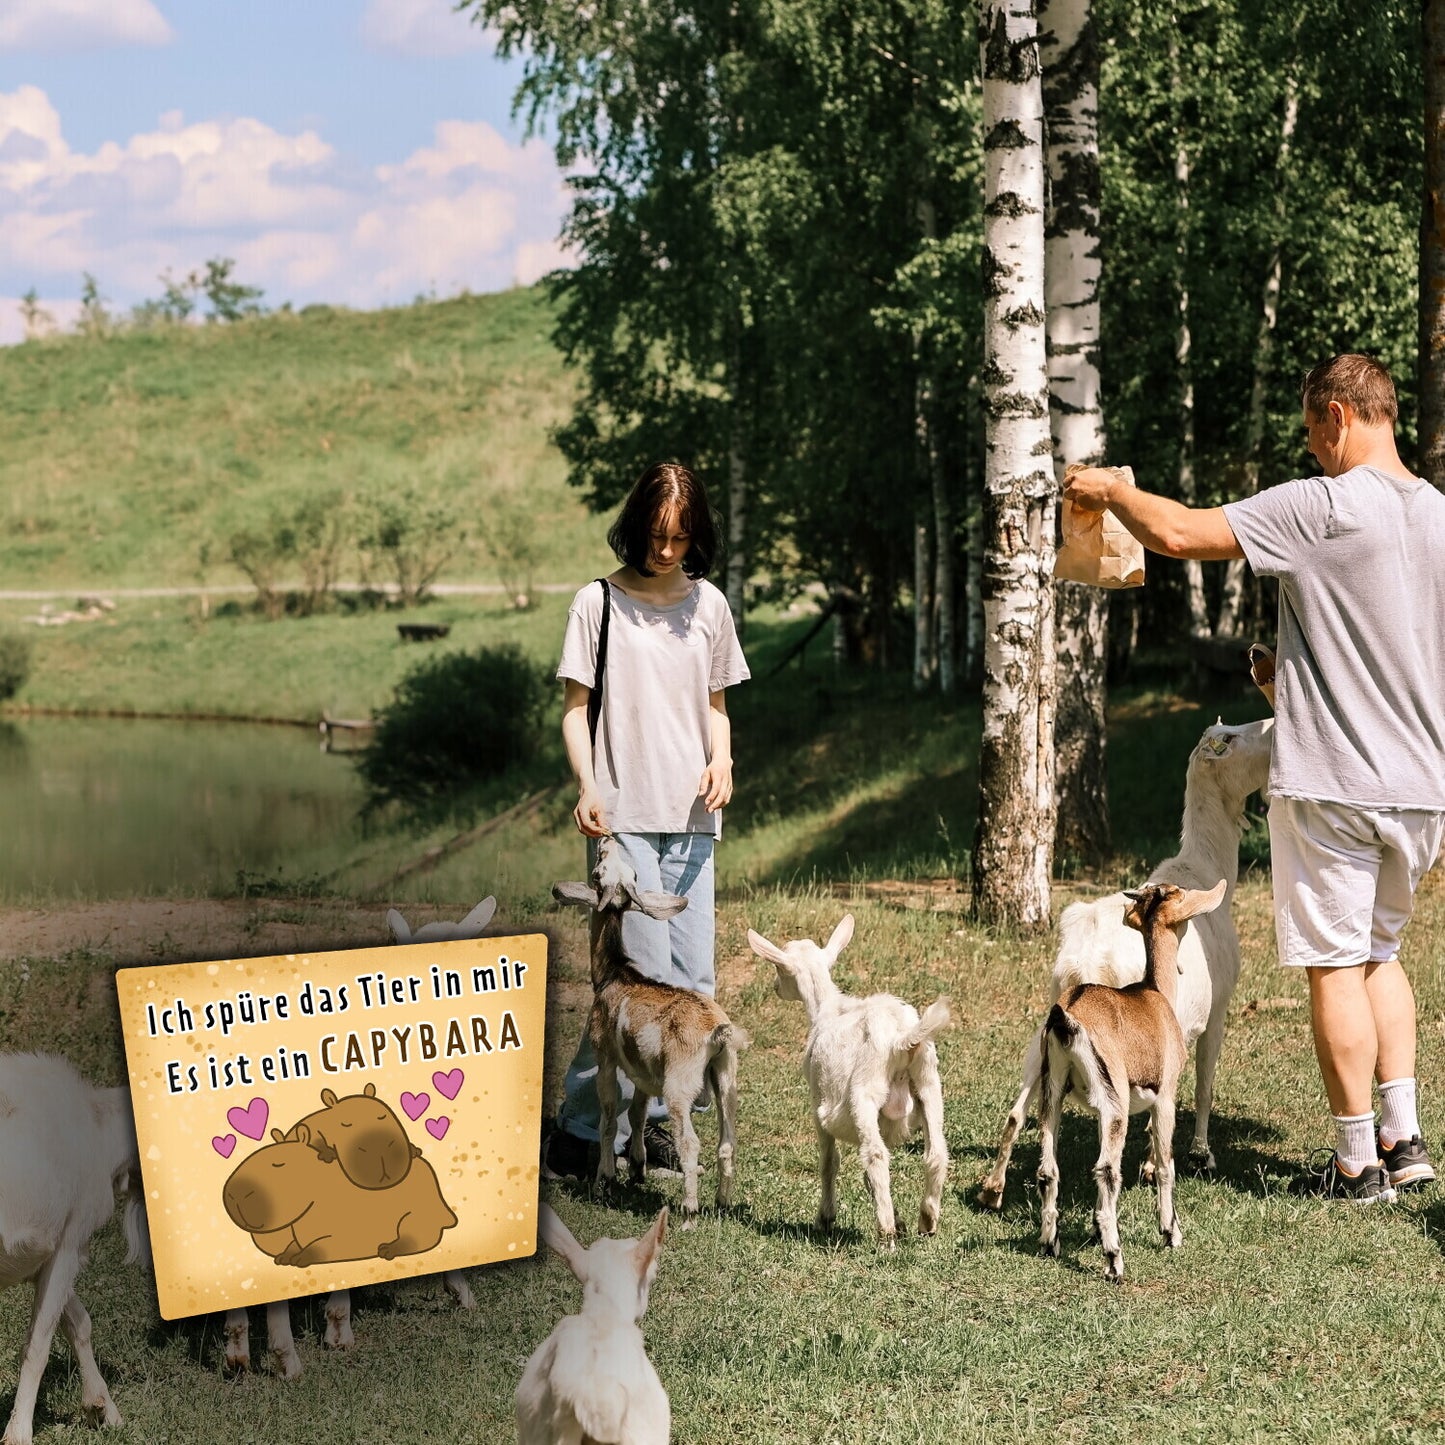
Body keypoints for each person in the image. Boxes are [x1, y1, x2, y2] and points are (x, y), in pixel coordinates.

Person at [1065, 353, 1445, 1203]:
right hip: (1421, 783)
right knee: (1383, 953)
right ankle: (1404, 1137)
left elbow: (1177, 533)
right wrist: (1294, 682)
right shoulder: (1440, 519)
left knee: (1334, 964)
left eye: (1313, 433)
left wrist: (1111, 492)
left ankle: (1354, 1165)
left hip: (1336, 784)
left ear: (1338, 418)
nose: (1311, 451)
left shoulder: (1321, 505)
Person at [543, 461, 750, 1180]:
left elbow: (716, 706)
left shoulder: (710, 606)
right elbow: (575, 710)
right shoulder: (596, 604)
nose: (667, 549)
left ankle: (659, 1127)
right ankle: (575, 1126)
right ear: (637, 527)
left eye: (681, 535)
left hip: (693, 819)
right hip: (623, 812)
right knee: (635, 980)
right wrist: (587, 784)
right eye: (657, 535)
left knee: (690, 981)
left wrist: (721, 761)